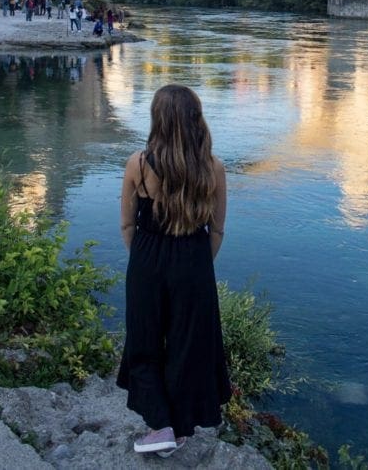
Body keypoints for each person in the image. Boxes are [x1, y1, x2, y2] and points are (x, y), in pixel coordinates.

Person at [117, 84, 231, 456]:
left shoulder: (138, 163)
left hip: (148, 256)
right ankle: (179, 429)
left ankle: (159, 424)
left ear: (157, 120)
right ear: (196, 120)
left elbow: (127, 225)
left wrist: (145, 261)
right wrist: (196, 265)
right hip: (194, 257)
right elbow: (216, 230)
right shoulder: (213, 167)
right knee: (188, 344)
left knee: (144, 339)